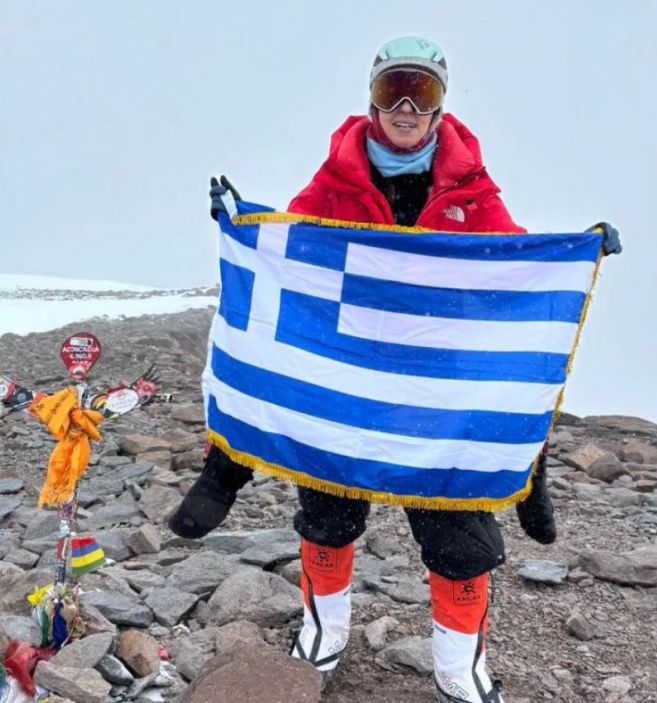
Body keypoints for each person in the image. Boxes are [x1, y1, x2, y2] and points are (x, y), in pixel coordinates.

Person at [170, 36, 622, 702]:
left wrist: (574, 255)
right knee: (326, 513)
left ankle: (456, 666)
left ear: (441, 106)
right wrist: (243, 224)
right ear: (372, 99)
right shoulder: (332, 184)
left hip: (431, 392)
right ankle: (322, 635)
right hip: (345, 387)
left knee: (458, 533)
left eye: (423, 93)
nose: (406, 107)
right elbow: (290, 266)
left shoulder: (472, 190)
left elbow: (512, 281)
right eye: (392, 92)